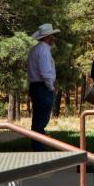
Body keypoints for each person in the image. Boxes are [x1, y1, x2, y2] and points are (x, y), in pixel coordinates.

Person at [27, 23, 60, 151]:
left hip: (36, 86)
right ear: (48, 37)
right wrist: (51, 87)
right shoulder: (44, 50)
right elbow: (45, 72)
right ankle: (38, 149)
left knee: (38, 119)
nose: (54, 38)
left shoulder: (35, 49)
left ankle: (37, 146)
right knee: (41, 121)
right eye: (52, 35)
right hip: (42, 87)